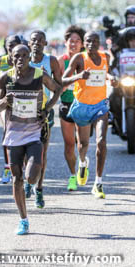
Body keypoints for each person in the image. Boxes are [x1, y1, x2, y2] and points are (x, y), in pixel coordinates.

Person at [0, 44, 62, 234]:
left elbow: (57, 89)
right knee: (16, 178)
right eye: (17, 55)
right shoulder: (5, 77)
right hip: (13, 133)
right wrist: (4, 111)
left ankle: (30, 184)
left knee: (31, 176)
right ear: (11, 56)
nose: (21, 59)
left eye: (25, 55)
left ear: (29, 58)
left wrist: (47, 109)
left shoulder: (39, 74)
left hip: (34, 131)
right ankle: (23, 219)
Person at [62, 31, 117, 199]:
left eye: (95, 41)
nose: (92, 44)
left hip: (100, 105)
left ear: (99, 42)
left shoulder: (105, 56)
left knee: (101, 141)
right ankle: (83, 162)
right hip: (82, 106)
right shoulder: (79, 58)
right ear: (84, 43)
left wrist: (111, 78)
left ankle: (98, 183)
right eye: (88, 41)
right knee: (83, 144)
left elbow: (105, 72)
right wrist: (79, 76)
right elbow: (63, 80)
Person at [24, 30, 62, 208]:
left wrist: (48, 107)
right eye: (34, 40)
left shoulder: (51, 61)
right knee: (25, 150)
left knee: (42, 153)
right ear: (29, 43)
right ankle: (27, 181)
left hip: (44, 112)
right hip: (24, 112)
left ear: (45, 44)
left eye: (40, 40)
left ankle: (39, 188)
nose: (37, 43)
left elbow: (58, 87)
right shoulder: (22, 59)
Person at [0, 35, 21, 184]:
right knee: (7, 131)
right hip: (4, 101)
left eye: (15, 45)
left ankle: (21, 166)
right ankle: (7, 167)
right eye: (9, 45)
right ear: (5, 46)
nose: (12, 47)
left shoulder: (24, 61)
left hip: (22, 102)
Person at [58, 25, 85, 191]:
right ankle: (72, 175)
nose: (73, 44)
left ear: (82, 43)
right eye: (71, 41)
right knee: (69, 144)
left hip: (84, 106)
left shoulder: (87, 59)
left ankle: (83, 164)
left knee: (82, 143)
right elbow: (56, 84)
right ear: (65, 43)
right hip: (66, 104)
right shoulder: (61, 60)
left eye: (77, 41)